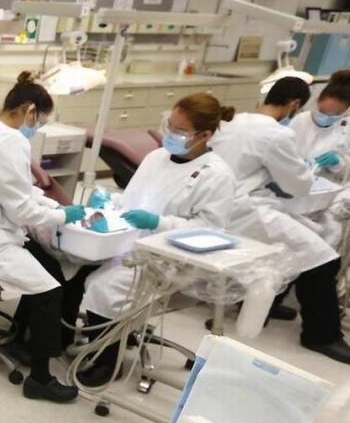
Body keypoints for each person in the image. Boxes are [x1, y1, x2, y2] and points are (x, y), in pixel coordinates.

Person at [0, 71, 87, 403]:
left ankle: (21, 342)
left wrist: (53, 204)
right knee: (51, 290)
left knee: (50, 268)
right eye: (39, 122)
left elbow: (17, 191)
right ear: (29, 110)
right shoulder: (10, 141)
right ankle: (40, 378)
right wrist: (63, 215)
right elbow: (20, 210)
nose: (36, 129)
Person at [77, 94, 238, 386]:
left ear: (204, 135)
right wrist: (110, 202)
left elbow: (210, 231)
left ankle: (105, 361)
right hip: (125, 240)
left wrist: (159, 223)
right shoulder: (156, 157)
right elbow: (133, 201)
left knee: (106, 288)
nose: (170, 134)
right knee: (72, 263)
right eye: (169, 125)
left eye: (179, 131)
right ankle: (85, 339)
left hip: (169, 258)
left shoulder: (216, 175)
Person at [212, 77, 350, 365]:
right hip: (249, 211)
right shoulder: (276, 134)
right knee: (323, 258)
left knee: (300, 246)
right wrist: (302, 172)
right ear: (295, 104)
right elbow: (298, 186)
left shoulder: (233, 121)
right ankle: (322, 335)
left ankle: (267, 304)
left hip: (224, 205)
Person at [289, 70, 350, 246]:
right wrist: (295, 164)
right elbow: (284, 149)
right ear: (318, 100)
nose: (326, 118)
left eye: (333, 114)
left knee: (330, 226)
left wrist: (339, 162)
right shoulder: (301, 120)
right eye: (322, 111)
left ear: (345, 110)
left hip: (333, 187)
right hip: (298, 181)